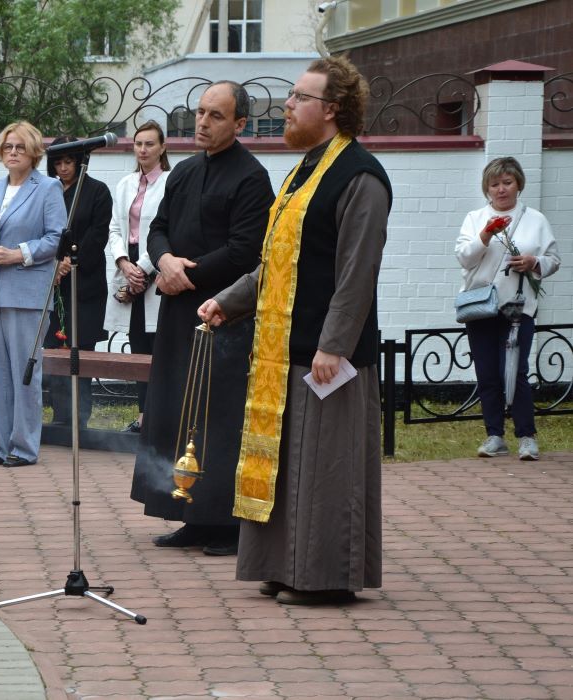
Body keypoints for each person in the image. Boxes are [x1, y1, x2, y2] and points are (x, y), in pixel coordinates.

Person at [199, 56, 392, 605]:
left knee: (325, 469)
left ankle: (326, 576)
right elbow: (278, 262)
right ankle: (285, 567)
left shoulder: (361, 177)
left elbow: (357, 273)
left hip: (328, 357)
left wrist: (335, 345)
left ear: (331, 109)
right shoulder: (304, 170)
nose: (286, 105)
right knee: (286, 467)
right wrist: (227, 301)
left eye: (299, 97)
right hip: (280, 349)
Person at [128, 81, 274, 556]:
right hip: (176, 310)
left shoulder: (252, 177)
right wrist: (164, 261)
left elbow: (246, 249)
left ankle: (224, 523)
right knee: (176, 409)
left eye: (216, 115)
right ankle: (187, 513)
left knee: (217, 416)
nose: (204, 123)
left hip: (223, 313)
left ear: (240, 124)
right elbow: (157, 229)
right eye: (200, 113)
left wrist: (184, 274)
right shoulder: (184, 172)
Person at [0, 121, 66, 467]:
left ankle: (23, 447)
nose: (12, 152)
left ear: (33, 152)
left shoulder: (48, 188)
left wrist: (18, 254)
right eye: (8, 146)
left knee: (24, 372)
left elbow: (57, 238)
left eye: (20, 147)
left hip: (25, 291)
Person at [455, 157, 561, 461]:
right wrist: (486, 234)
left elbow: (553, 259)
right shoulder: (475, 218)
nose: (501, 189)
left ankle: (526, 437)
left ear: (518, 184)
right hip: (480, 306)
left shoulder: (535, 219)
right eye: (495, 183)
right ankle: (495, 436)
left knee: (515, 371)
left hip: (518, 307)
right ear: (487, 188)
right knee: (487, 372)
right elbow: (464, 257)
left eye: (507, 182)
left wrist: (534, 263)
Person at [103, 121, 171, 433]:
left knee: (159, 345)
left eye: (149, 144)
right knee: (137, 347)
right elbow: (116, 228)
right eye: (138, 144)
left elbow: (168, 232)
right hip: (128, 268)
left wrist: (142, 268)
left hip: (155, 268)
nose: (142, 149)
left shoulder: (171, 182)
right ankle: (143, 414)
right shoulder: (125, 184)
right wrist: (123, 263)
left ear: (162, 147)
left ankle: (161, 416)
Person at [43, 136, 112, 429]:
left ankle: (80, 418)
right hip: (53, 282)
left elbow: (98, 235)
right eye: (57, 162)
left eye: (69, 161)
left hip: (85, 283)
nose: (63, 168)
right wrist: (53, 265)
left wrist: (72, 261)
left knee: (80, 351)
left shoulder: (97, 191)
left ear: (80, 162)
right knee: (55, 349)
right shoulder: (47, 191)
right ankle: (60, 416)